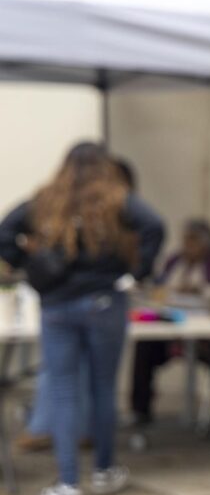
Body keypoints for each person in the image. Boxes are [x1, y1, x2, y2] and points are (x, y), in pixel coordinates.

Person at [0, 142, 164, 495]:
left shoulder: (46, 199)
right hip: (104, 302)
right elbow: (155, 225)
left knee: (63, 392)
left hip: (56, 306)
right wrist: (136, 272)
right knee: (103, 388)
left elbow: (4, 233)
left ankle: (68, 485)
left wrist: (28, 264)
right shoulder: (117, 200)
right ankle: (104, 470)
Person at [14, 154, 138, 453]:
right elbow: (152, 231)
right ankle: (98, 464)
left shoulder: (61, 205)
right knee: (94, 384)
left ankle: (67, 468)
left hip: (61, 304)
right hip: (98, 303)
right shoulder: (110, 211)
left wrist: (27, 261)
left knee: (64, 381)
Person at [129, 218, 210, 429]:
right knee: (145, 348)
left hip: (208, 335)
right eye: (185, 240)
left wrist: (202, 292)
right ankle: (140, 411)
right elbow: (159, 290)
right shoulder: (176, 263)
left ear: (206, 243)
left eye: (193, 241)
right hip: (176, 333)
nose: (187, 246)